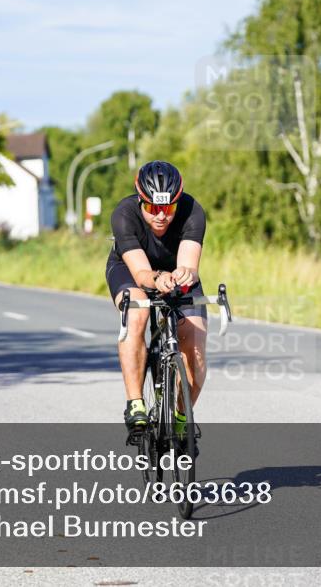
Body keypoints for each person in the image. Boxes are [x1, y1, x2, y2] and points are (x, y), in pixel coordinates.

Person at [106, 160, 207, 445]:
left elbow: (189, 263)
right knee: (136, 313)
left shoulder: (192, 212)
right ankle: (135, 403)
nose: (161, 216)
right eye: (152, 208)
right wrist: (157, 277)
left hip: (175, 273)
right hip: (131, 269)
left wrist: (185, 274)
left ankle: (180, 418)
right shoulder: (124, 215)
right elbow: (140, 273)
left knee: (196, 349)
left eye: (168, 208)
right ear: (141, 201)